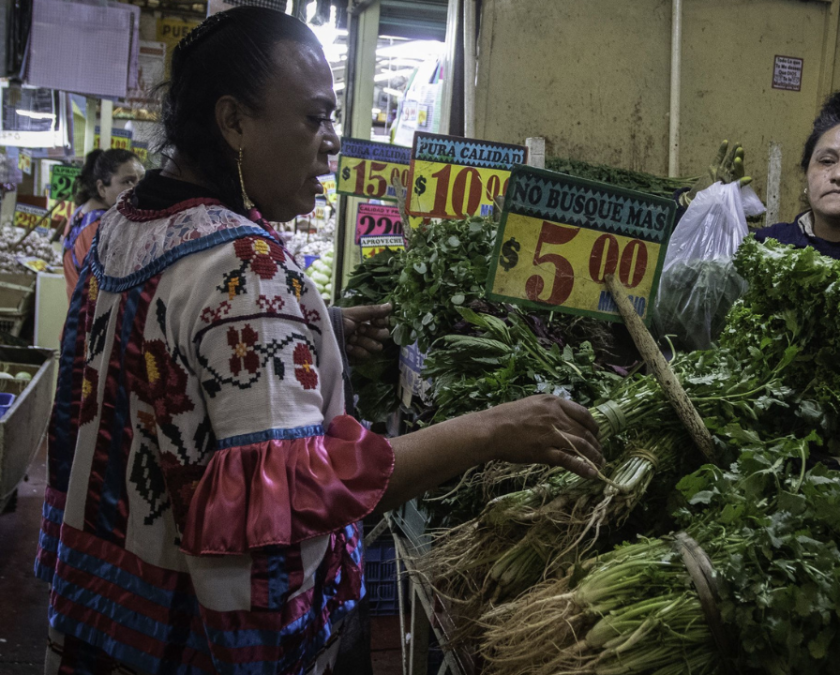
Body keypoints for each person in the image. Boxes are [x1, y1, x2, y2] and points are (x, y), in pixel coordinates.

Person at [34, 8, 603, 675]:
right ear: (234, 122)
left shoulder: (119, 229)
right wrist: (491, 430)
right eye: (314, 118)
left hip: (98, 626)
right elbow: (299, 491)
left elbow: (159, 368)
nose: (332, 142)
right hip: (191, 646)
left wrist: (317, 325)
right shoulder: (246, 266)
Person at [686, 87, 840, 261]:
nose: (839, 174)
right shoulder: (766, 248)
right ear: (806, 171)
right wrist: (696, 207)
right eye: (827, 161)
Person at [60, 148, 144, 293]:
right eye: (127, 181)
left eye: (140, 180)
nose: (137, 188)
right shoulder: (101, 230)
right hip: (91, 314)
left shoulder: (79, 215)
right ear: (102, 188)